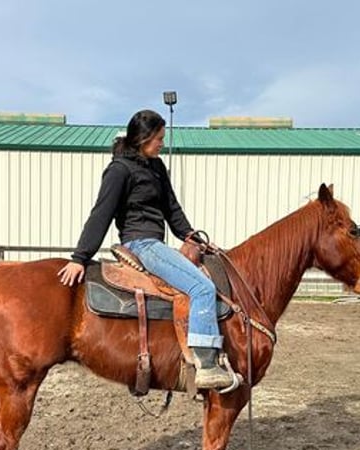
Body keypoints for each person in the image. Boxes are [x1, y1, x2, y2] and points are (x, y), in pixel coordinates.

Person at [57, 109, 235, 390]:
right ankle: (206, 364)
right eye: (159, 138)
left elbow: (171, 208)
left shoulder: (157, 167)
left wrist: (190, 235)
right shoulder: (119, 170)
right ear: (143, 138)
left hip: (157, 243)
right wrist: (80, 258)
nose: (162, 143)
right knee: (202, 289)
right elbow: (101, 214)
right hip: (141, 243)